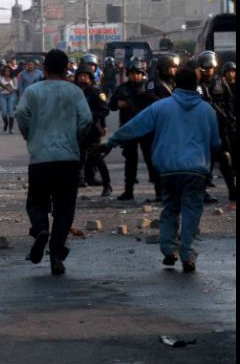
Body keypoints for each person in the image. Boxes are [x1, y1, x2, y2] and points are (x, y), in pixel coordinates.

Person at [102, 66, 221, 272]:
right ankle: (187, 252)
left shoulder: (161, 107)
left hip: (168, 170)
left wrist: (112, 141)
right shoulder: (206, 110)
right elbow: (215, 143)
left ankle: (168, 249)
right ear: (196, 85)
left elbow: (135, 126)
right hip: (196, 171)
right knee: (192, 210)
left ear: (175, 84)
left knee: (171, 209)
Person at [15, 49, 92, 276]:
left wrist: (31, 134)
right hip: (68, 159)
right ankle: (56, 255)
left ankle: (40, 229)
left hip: (40, 158)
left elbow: (20, 114)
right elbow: (86, 119)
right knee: (64, 209)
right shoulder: (75, 92)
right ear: (67, 69)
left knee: (36, 203)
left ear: (44, 68)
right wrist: (74, 136)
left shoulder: (32, 91)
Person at [108, 58, 160, 201]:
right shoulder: (122, 88)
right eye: (132, 73)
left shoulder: (149, 86)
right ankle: (128, 191)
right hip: (129, 129)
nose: (135, 76)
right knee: (130, 161)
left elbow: (156, 101)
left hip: (146, 129)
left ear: (143, 74)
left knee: (151, 160)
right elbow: (111, 105)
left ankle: (159, 191)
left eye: (138, 73)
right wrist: (119, 104)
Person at [198, 51, 236, 205]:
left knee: (226, 158)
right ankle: (203, 192)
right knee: (205, 162)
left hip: (220, 128)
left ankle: (232, 191)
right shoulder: (197, 84)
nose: (209, 71)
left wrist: (229, 115)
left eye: (211, 68)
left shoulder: (220, 82)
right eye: (206, 69)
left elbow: (229, 101)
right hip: (203, 130)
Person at [74, 65, 112, 197]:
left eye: (85, 76)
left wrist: (92, 118)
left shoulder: (96, 92)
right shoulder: (75, 92)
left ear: (90, 78)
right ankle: (80, 180)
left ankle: (107, 184)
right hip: (78, 130)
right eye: (80, 76)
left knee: (97, 158)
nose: (82, 78)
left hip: (93, 130)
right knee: (79, 156)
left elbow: (104, 110)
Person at [0, 65, 18, 133]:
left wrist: (11, 87)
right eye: (5, 71)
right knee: (4, 113)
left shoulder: (13, 78)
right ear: (3, 72)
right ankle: (6, 123)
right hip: (2, 95)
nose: (7, 73)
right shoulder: (0, 78)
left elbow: (16, 87)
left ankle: (11, 129)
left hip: (11, 95)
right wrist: (4, 87)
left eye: (8, 71)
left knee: (11, 112)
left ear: (10, 72)